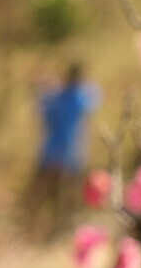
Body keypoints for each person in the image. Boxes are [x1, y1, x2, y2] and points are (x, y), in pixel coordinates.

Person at [28, 63, 101, 237]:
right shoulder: (79, 97)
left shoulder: (60, 98)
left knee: (50, 195)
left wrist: (45, 88)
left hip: (55, 153)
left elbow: (42, 109)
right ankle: (57, 229)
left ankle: (47, 228)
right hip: (69, 154)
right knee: (64, 197)